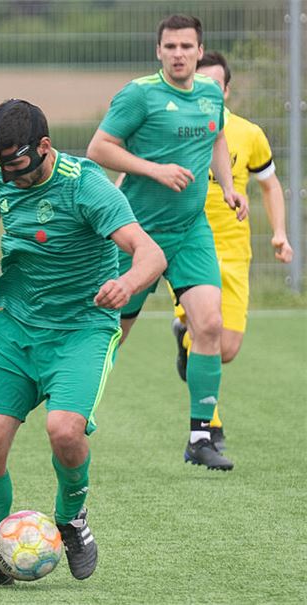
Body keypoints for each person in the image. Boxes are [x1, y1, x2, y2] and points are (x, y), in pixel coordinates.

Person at [0, 99, 165, 588]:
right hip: (16, 327)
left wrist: (129, 284)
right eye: (1, 166)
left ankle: (71, 519)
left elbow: (149, 253)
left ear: (44, 147)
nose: (10, 176)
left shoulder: (85, 185)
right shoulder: (2, 175)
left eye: (19, 166)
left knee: (65, 432)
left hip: (81, 328)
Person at [86, 14, 248, 471]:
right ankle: (76, 411)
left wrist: (229, 186)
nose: (179, 54)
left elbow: (216, 139)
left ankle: (201, 437)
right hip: (136, 234)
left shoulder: (211, 94)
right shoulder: (140, 95)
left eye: (187, 46)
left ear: (200, 52)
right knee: (111, 334)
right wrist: (155, 170)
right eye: (171, 46)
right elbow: (99, 148)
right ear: (158, 51)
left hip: (191, 232)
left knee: (210, 325)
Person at [169, 51, 295, 450]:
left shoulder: (248, 134)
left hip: (234, 250)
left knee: (227, 348)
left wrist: (280, 232)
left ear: (226, 90)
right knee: (204, 329)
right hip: (187, 246)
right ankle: (208, 427)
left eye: (213, 85)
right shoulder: (170, 129)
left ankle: (183, 337)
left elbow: (270, 185)